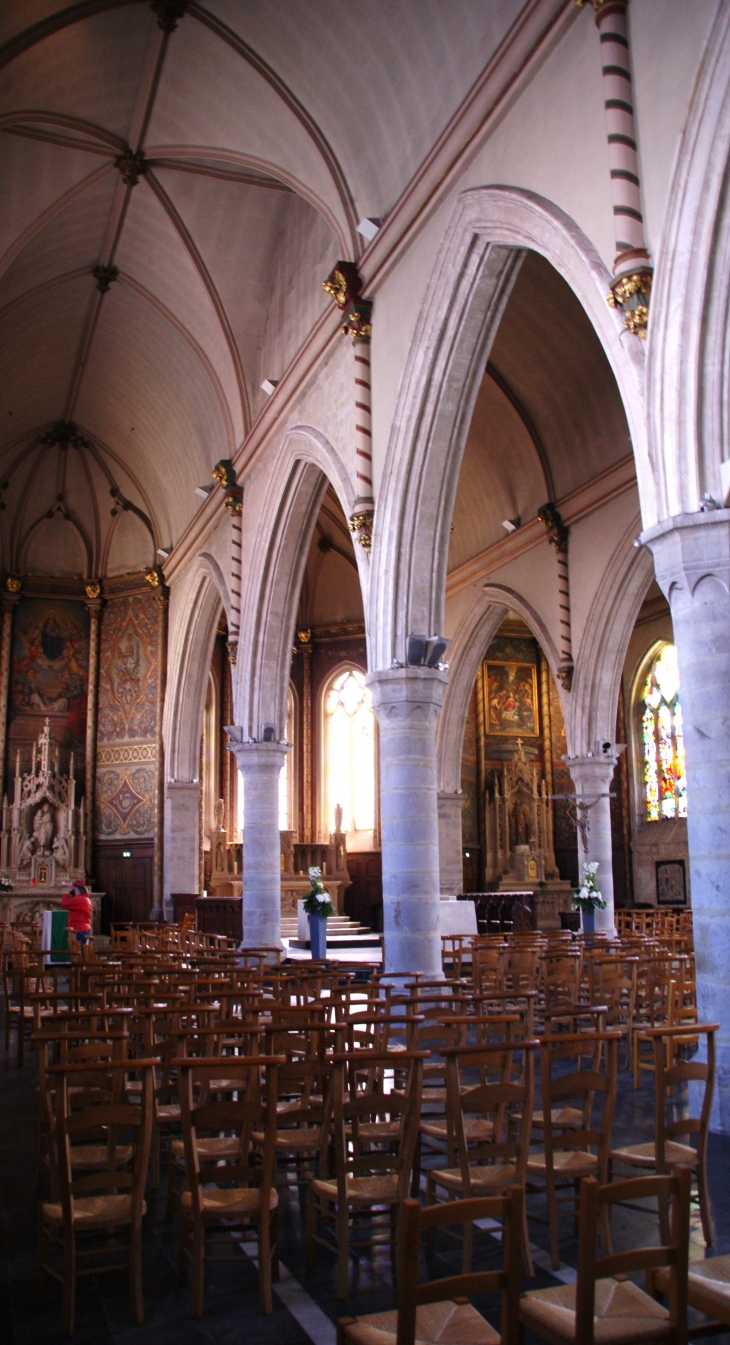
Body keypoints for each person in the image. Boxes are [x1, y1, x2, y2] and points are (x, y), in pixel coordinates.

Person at [61, 880, 92, 945]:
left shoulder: (79, 899)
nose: (74, 892)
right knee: (82, 951)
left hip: (79, 929)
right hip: (84, 928)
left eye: (75, 891)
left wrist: (66, 894)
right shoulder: (85, 898)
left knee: (78, 951)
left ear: (78, 892)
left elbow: (64, 904)